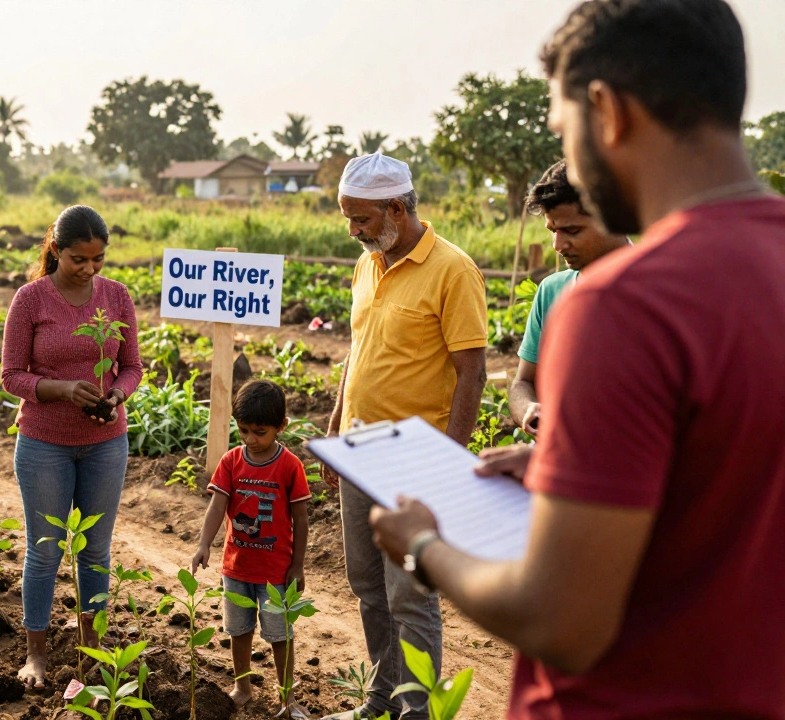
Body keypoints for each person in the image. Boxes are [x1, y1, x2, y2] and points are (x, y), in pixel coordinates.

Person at [368, 1, 785, 718]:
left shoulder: (625, 304)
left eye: (566, 128)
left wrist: (425, 547)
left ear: (608, 112)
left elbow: (560, 621)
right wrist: (581, 462)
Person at [321, 153, 488, 720]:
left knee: (410, 595)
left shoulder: (452, 269)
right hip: (359, 448)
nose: (353, 231)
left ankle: (415, 711)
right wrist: (335, 425)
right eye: (348, 218)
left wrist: (449, 460)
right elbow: (357, 350)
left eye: (361, 219)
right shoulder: (368, 263)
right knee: (366, 583)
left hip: (415, 459)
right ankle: (379, 698)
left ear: (397, 208)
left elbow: (473, 370)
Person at [0, 205, 143, 689]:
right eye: (79, 259)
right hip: (44, 443)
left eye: (98, 259)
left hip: (105, 442)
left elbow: (131, 366)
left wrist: (117, 396)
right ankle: (35, 655)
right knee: (45, 550)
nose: (89, 269)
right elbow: (10, 375)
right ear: (56, 250)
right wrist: (60, 389)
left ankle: (93, 648)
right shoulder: (31, 300)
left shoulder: (117, 298)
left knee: (96, 553)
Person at [191, 380, 311, 718]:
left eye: (259, 432)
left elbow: (301, 521)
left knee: (279, 634)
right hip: (237, 568)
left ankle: (287, 696)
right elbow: (217, 506)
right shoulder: (231, 462)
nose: (250, 439)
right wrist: (204, 544)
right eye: (243, 430)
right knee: (238, 629)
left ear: (280, 427)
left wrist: (297, 565)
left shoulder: (290, 467)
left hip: (275, 571)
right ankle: (242, 685)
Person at [508, 159, 630, 435]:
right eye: (553, 231)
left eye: (572, 231)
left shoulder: (657, 292)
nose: (558, 246)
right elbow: (522, 383)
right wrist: (528, 409)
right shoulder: (551, 291)